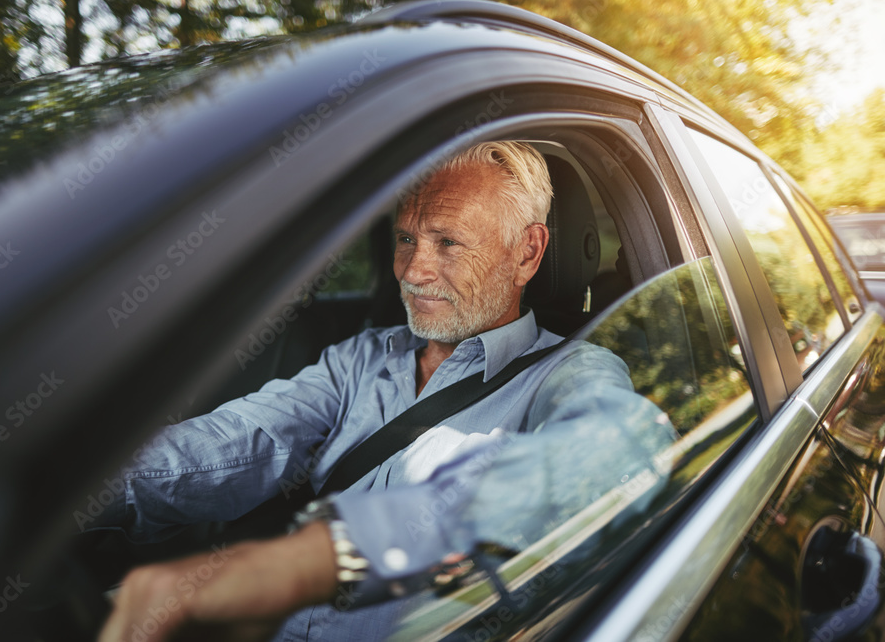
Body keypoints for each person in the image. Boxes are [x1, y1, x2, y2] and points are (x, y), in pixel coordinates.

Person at [94, 141, 674, 641]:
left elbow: (620, 452)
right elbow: (241, 439)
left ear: (527, 252)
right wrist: (73, 487)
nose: (412, 270)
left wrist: (321, 558)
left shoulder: (570, 372)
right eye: (405, 238)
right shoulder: (363, 357)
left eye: (449, 242)